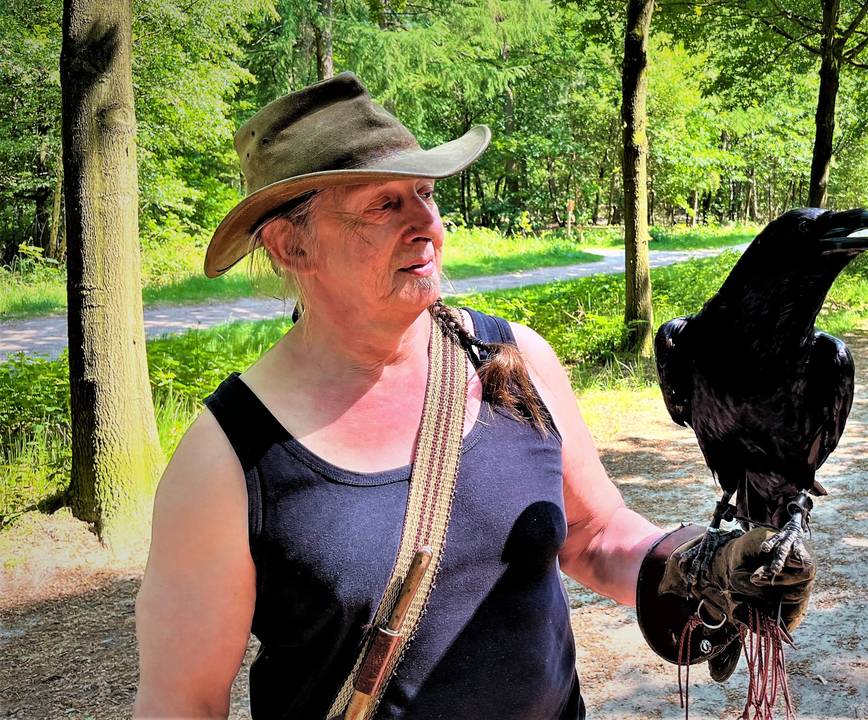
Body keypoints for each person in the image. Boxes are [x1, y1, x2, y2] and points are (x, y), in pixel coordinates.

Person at [134, 72, 811, 719]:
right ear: (290, 245)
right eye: (383, 203)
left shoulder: (514, 365)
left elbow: (592, 531)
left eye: (425, 193)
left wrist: (699, 566)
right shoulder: (229, 460)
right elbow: (182, 702)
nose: (426, 224)